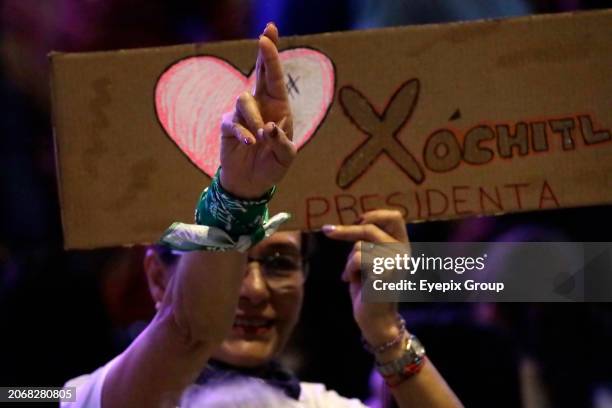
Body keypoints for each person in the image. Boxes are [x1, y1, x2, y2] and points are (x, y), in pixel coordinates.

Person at [62, 23, 462, 408]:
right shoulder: (93, 395)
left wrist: (386, 330)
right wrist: (239, 195)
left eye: (278, 262)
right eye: (233, 262)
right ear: (156, 277)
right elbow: (190, 331)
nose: (253, 290)